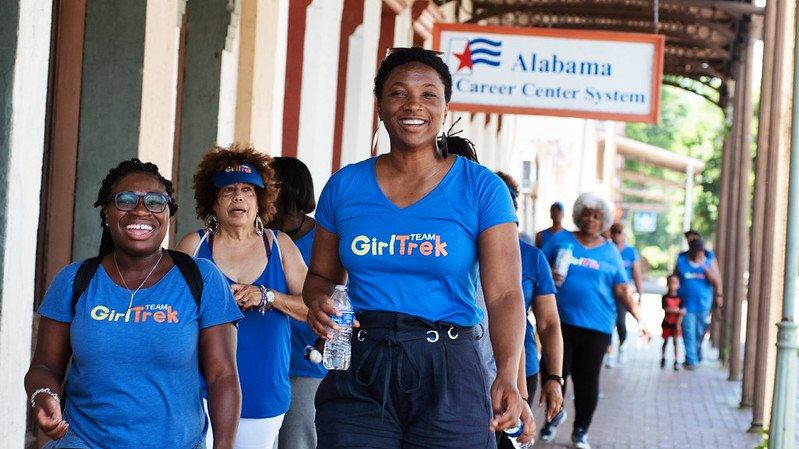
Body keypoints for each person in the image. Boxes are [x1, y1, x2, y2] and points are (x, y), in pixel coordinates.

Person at [304, 47, 530, 449]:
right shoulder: (344, 186)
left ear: (445, 107)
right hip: (361, 365)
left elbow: (506, 294)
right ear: (379, 105)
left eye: (429, 94)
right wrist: (320, 298)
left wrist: (509, 376)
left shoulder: (482, 189)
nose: (413, 105)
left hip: (448, 366)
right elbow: (320, 276)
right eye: (398, 93)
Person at [26, 158, 242, 449]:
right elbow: (45, 366)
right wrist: (43, 396)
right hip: (84, 442)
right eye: (125, 200)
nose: (141, 210)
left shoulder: (201, 278)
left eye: (155, 202)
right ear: (107, 212)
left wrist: (225, 445)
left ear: (168, 213)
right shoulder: (75, 279)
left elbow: (222, 375)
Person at [176, 147, 308, 449]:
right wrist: (213, 305)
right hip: (199, 391)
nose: (238, 197)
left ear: (261, 200)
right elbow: (169, 311)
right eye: (228, 190)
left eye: (248, 190)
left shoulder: (280, 245)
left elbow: (311, 307)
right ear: (212, 200)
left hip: (263, 391)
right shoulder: (194, 246)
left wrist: (268, 296)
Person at [539, 192, 649, 449]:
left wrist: (640, 320)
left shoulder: (610, 251)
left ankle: (580, 431)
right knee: (553, 375)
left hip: (597, 328)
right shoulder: (561, 240)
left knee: (587, 381)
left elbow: (622, 289)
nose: (591, 219)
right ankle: (554, 418)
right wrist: (548, 275)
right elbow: (537, 266)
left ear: (604, 221)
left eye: (597, 216)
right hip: (560, 324)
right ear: (578, 215)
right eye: (587, 214)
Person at [494, 171, 565, 449]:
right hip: (469, 365)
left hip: (522, 371)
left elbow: (548, 323)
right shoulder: (460, 250)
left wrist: (555, 378)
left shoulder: (533, 258)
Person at [270, 157, 322, 449]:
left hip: (306, 363)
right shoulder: (262, 237)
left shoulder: (324, 240)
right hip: (264, 359)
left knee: (298, 441)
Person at [674, 238, 721, 370]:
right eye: (698, 252)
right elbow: (675, 278)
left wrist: (704, 267)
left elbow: (715, 281)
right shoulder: (682, 262)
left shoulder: (707, 263)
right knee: (688, 331)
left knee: (700, 332)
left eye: (702, 253)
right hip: (686, 305)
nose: (701, 255)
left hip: (703, 305)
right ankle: (691, 359)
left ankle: (696, 351)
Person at [607, 222, 644, 366]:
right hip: (608, 292)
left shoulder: (630, 251)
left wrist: (640, 293)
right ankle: (609, 352)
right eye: (614, 232)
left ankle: (622, 347)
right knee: (608, 322)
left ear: (623, 234)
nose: (616, 235)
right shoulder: (607, 249)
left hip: (623, 293)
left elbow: (636, 273)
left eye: (619, 232)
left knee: (620, 322)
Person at [661, 274, 684, 371]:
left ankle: (676, 360)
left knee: (676, 342)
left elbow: (682, 312)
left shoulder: (680, 298)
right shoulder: (665, 297)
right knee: (665, 341)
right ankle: (663, 358)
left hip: (676, 324)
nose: (673, 285)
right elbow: (666, 309)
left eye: (675, 283)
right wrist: (677, 310)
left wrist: (678, 323)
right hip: (667, 323)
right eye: (671, 283)